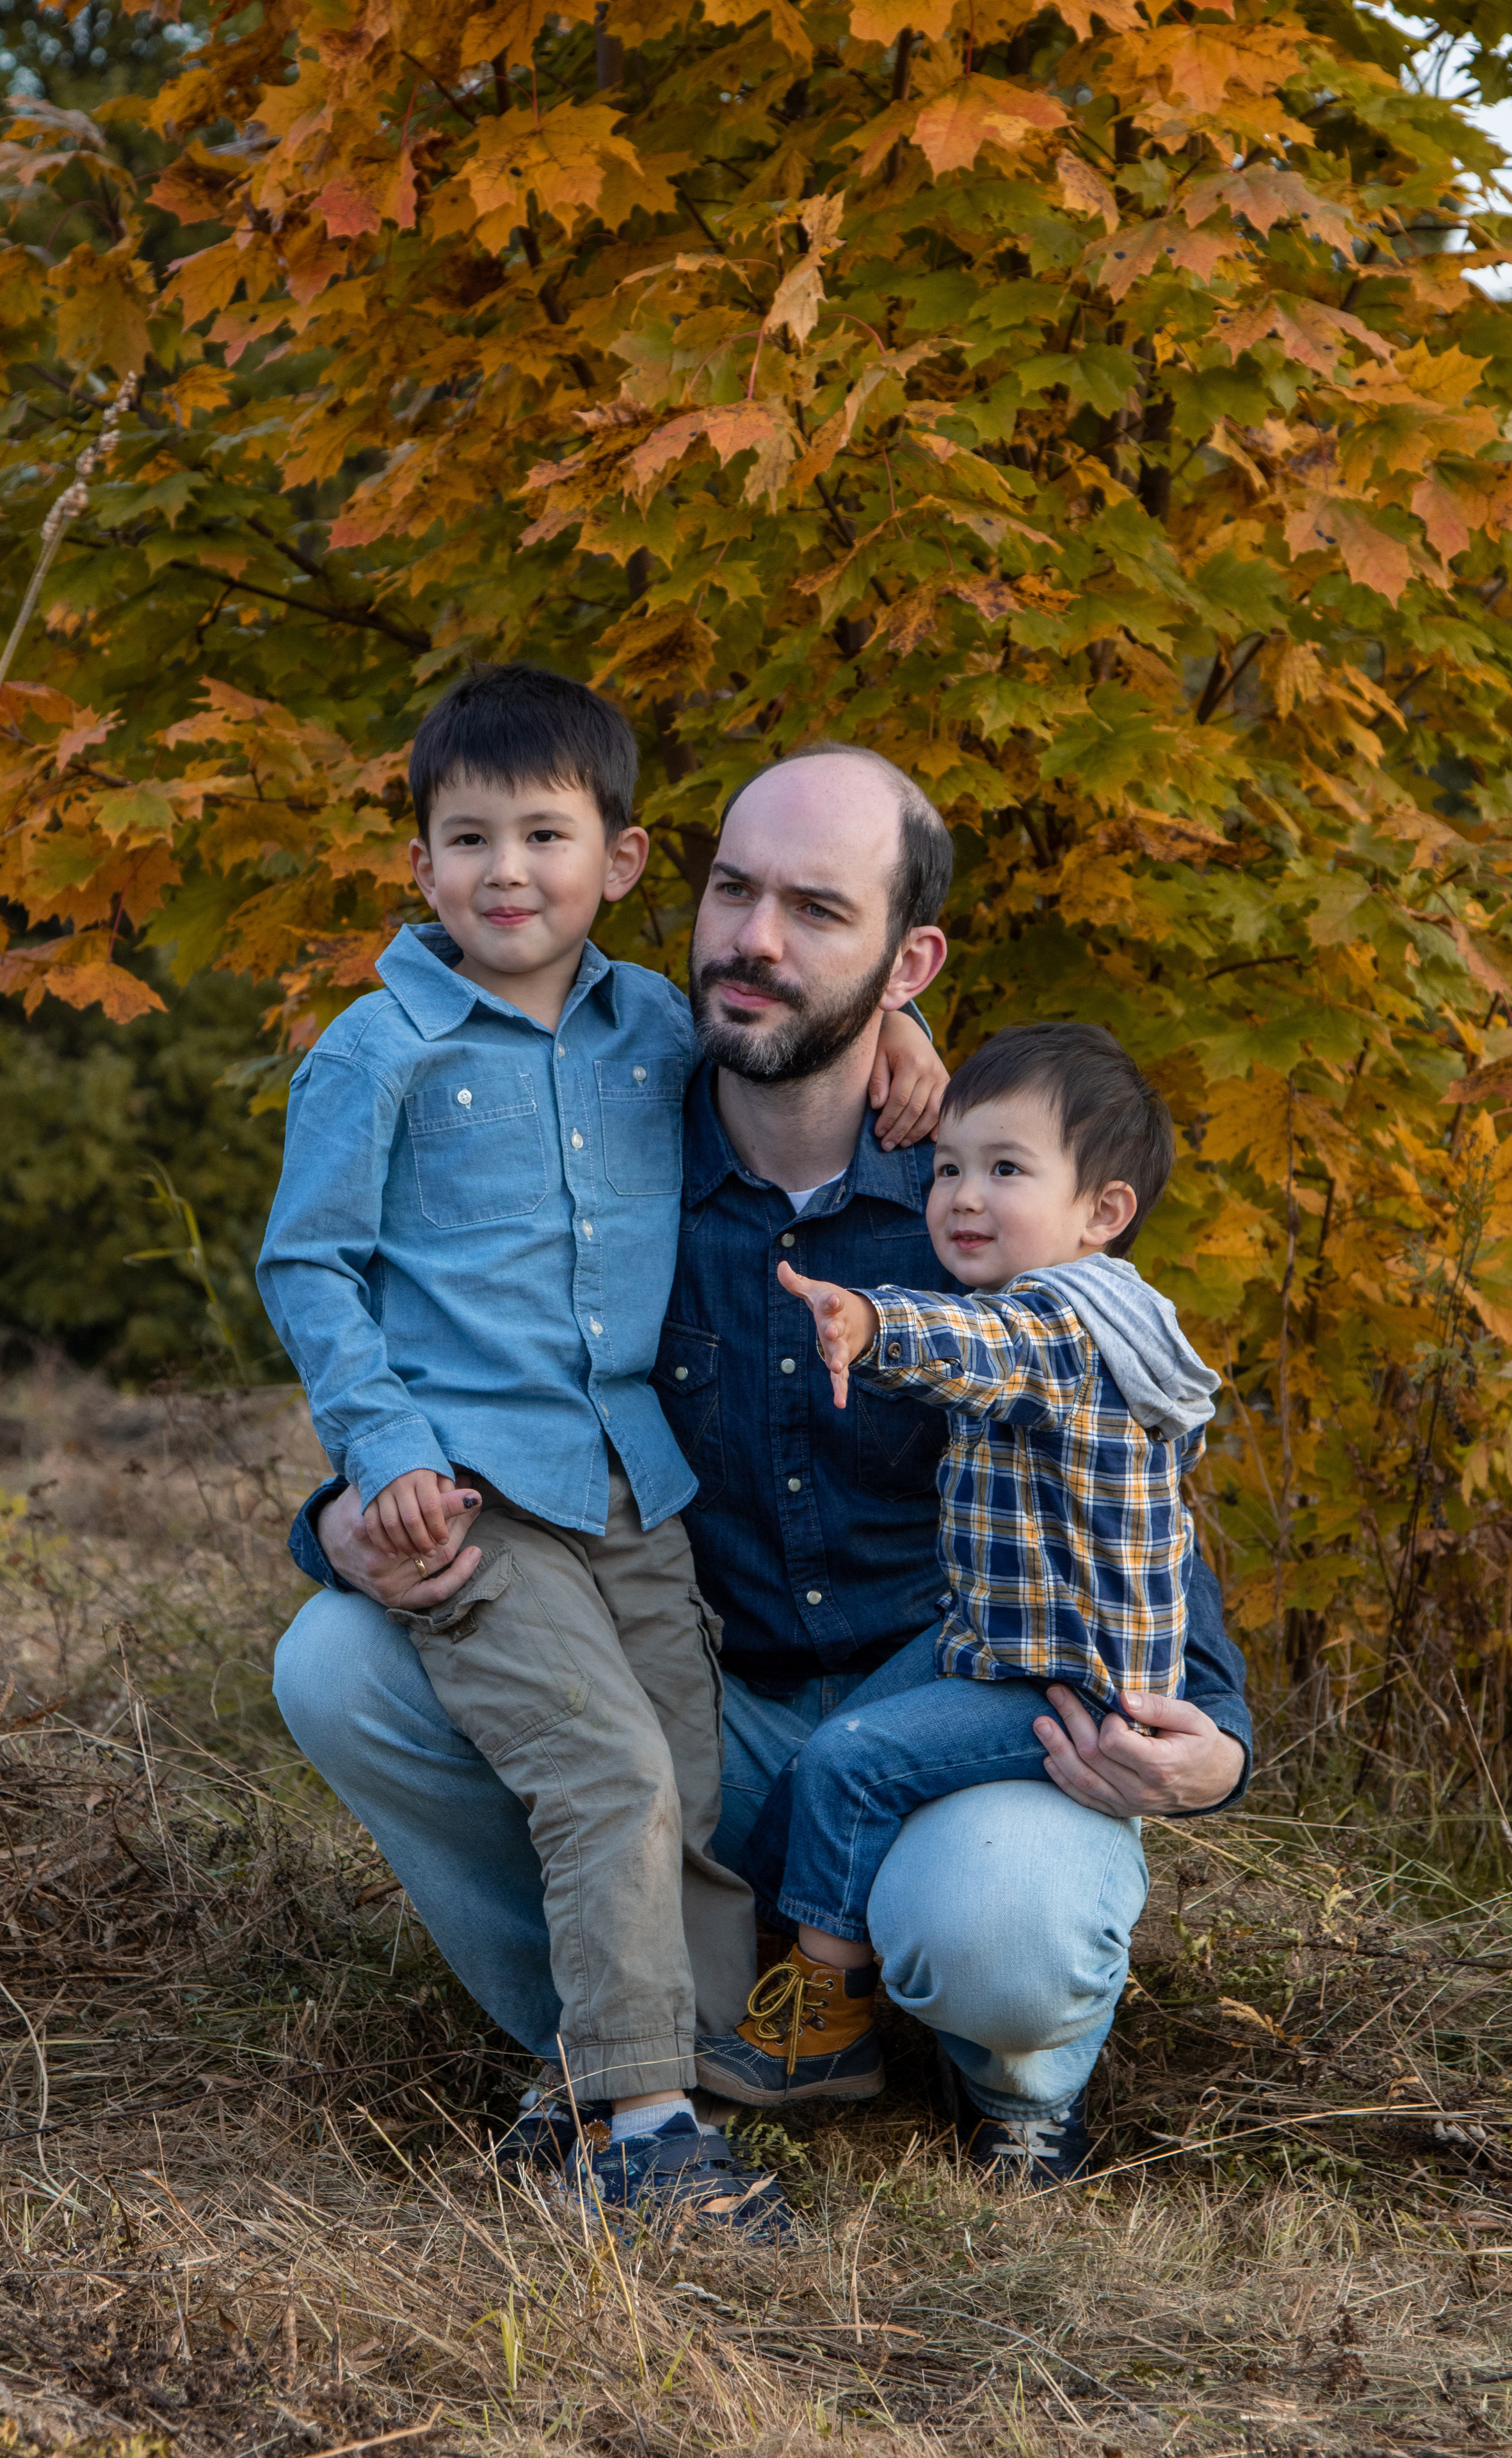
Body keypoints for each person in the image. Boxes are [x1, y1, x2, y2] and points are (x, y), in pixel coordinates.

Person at [275, 739, 1251, 2194]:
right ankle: (613, 2050)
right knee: (340, 1655)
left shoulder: (982, 1201)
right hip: (696, 1706)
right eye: (732, 891)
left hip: (934, 1719)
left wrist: (1212, 1738)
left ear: (907, 959)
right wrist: (343, 1523)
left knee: (1002, 1921)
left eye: (815, 911)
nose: (752, 941)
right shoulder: (604, 1152)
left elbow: (1112, 1474)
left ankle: (997, 2075)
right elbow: (460, 1355)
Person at [257, 670, 944, 2233]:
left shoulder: (654, 1023)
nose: (507, 874)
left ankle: (622, 2076)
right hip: (480, 1494)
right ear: (417, 866)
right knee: (607, 1773)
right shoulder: (378, 1055)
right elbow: (310, 1269)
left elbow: (805, 1021)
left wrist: (907, 1031)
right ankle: (640, 2132)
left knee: (681, 1777)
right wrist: (375, 1459)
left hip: (637, 1486)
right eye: (466, 841)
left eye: (545, 837)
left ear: (620, 866)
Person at [693, 1021, 1221, 2108]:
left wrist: (871, 1321)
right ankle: (772, 1952)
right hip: (990, 1638)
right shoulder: (1117, 1317)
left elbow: (987, 1354)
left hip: (1060, 1679)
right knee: (816, 1768)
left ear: (1104, 1214)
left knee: (848, 1759)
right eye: (947, 1169)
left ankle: (829, 2027)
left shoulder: (1063, 1323)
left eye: (1007, 1171)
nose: (963, 1197)